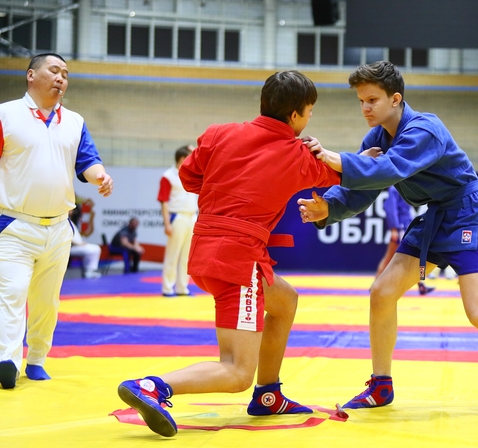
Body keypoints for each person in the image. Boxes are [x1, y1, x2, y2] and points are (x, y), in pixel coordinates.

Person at [299, 61, 478, 414]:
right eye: (361, 101)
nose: (365, 108)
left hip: (465, 215)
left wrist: (332, 157)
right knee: (382, 293)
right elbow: (364, 186)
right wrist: (328, 207)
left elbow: (388, 168)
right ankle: (381, 385)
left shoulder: (425, 129)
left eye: (372, 100)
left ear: (396, 99)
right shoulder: (376, 139)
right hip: (434, 216)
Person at [117, 70, 341, 438]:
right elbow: (346, 176)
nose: (311, 117)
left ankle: (269, 395)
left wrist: (229, 185)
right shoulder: (297, 154)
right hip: (239, 261)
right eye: (310, 111)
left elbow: (189, 177)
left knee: (285, 301)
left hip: (206, 250)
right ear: (296, 115)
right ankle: (152, 387)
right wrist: (343, 155)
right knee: (237, 371)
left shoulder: (219, 133)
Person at [0, 53, 113, 390]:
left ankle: (36, 359)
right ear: (31, 75)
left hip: (59, 228)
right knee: (11, 293)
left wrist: (100, 176)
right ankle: (7, 361)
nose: (61, 77)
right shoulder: (6, 114)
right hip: (14, 225)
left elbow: (88, 161)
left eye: (65, 73)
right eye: (54, 70)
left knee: (47, 301)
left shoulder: (75, 121)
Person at [158, 146, 198, 296]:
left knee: (187, 256)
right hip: (177, 217)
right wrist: (167, 223)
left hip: (192, 216)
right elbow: (164, 201)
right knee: (173, 254)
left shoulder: (192, 174)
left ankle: (182, 288)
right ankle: (167, 288)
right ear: (182, 159)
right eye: (190, 156)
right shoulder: (168, 176)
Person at [379, 186, 434, 295]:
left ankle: (421, 285)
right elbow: (390, 209)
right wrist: (394, 228)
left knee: (404, 257)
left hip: (405, 226)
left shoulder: (404, 186)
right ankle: (376, 284)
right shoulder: (394, 188)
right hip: (400, 227)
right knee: (393, 257)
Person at [69, 207, 102, 279]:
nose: (72, 212)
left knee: (96, 248)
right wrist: (79, 244)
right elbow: (67, 238)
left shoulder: (71, 221)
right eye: (70, 210)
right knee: (91, 250)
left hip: (78, 245)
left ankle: (90, 270)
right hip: (71, 248)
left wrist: (82, 243)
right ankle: (88, 272)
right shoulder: (63, 222)